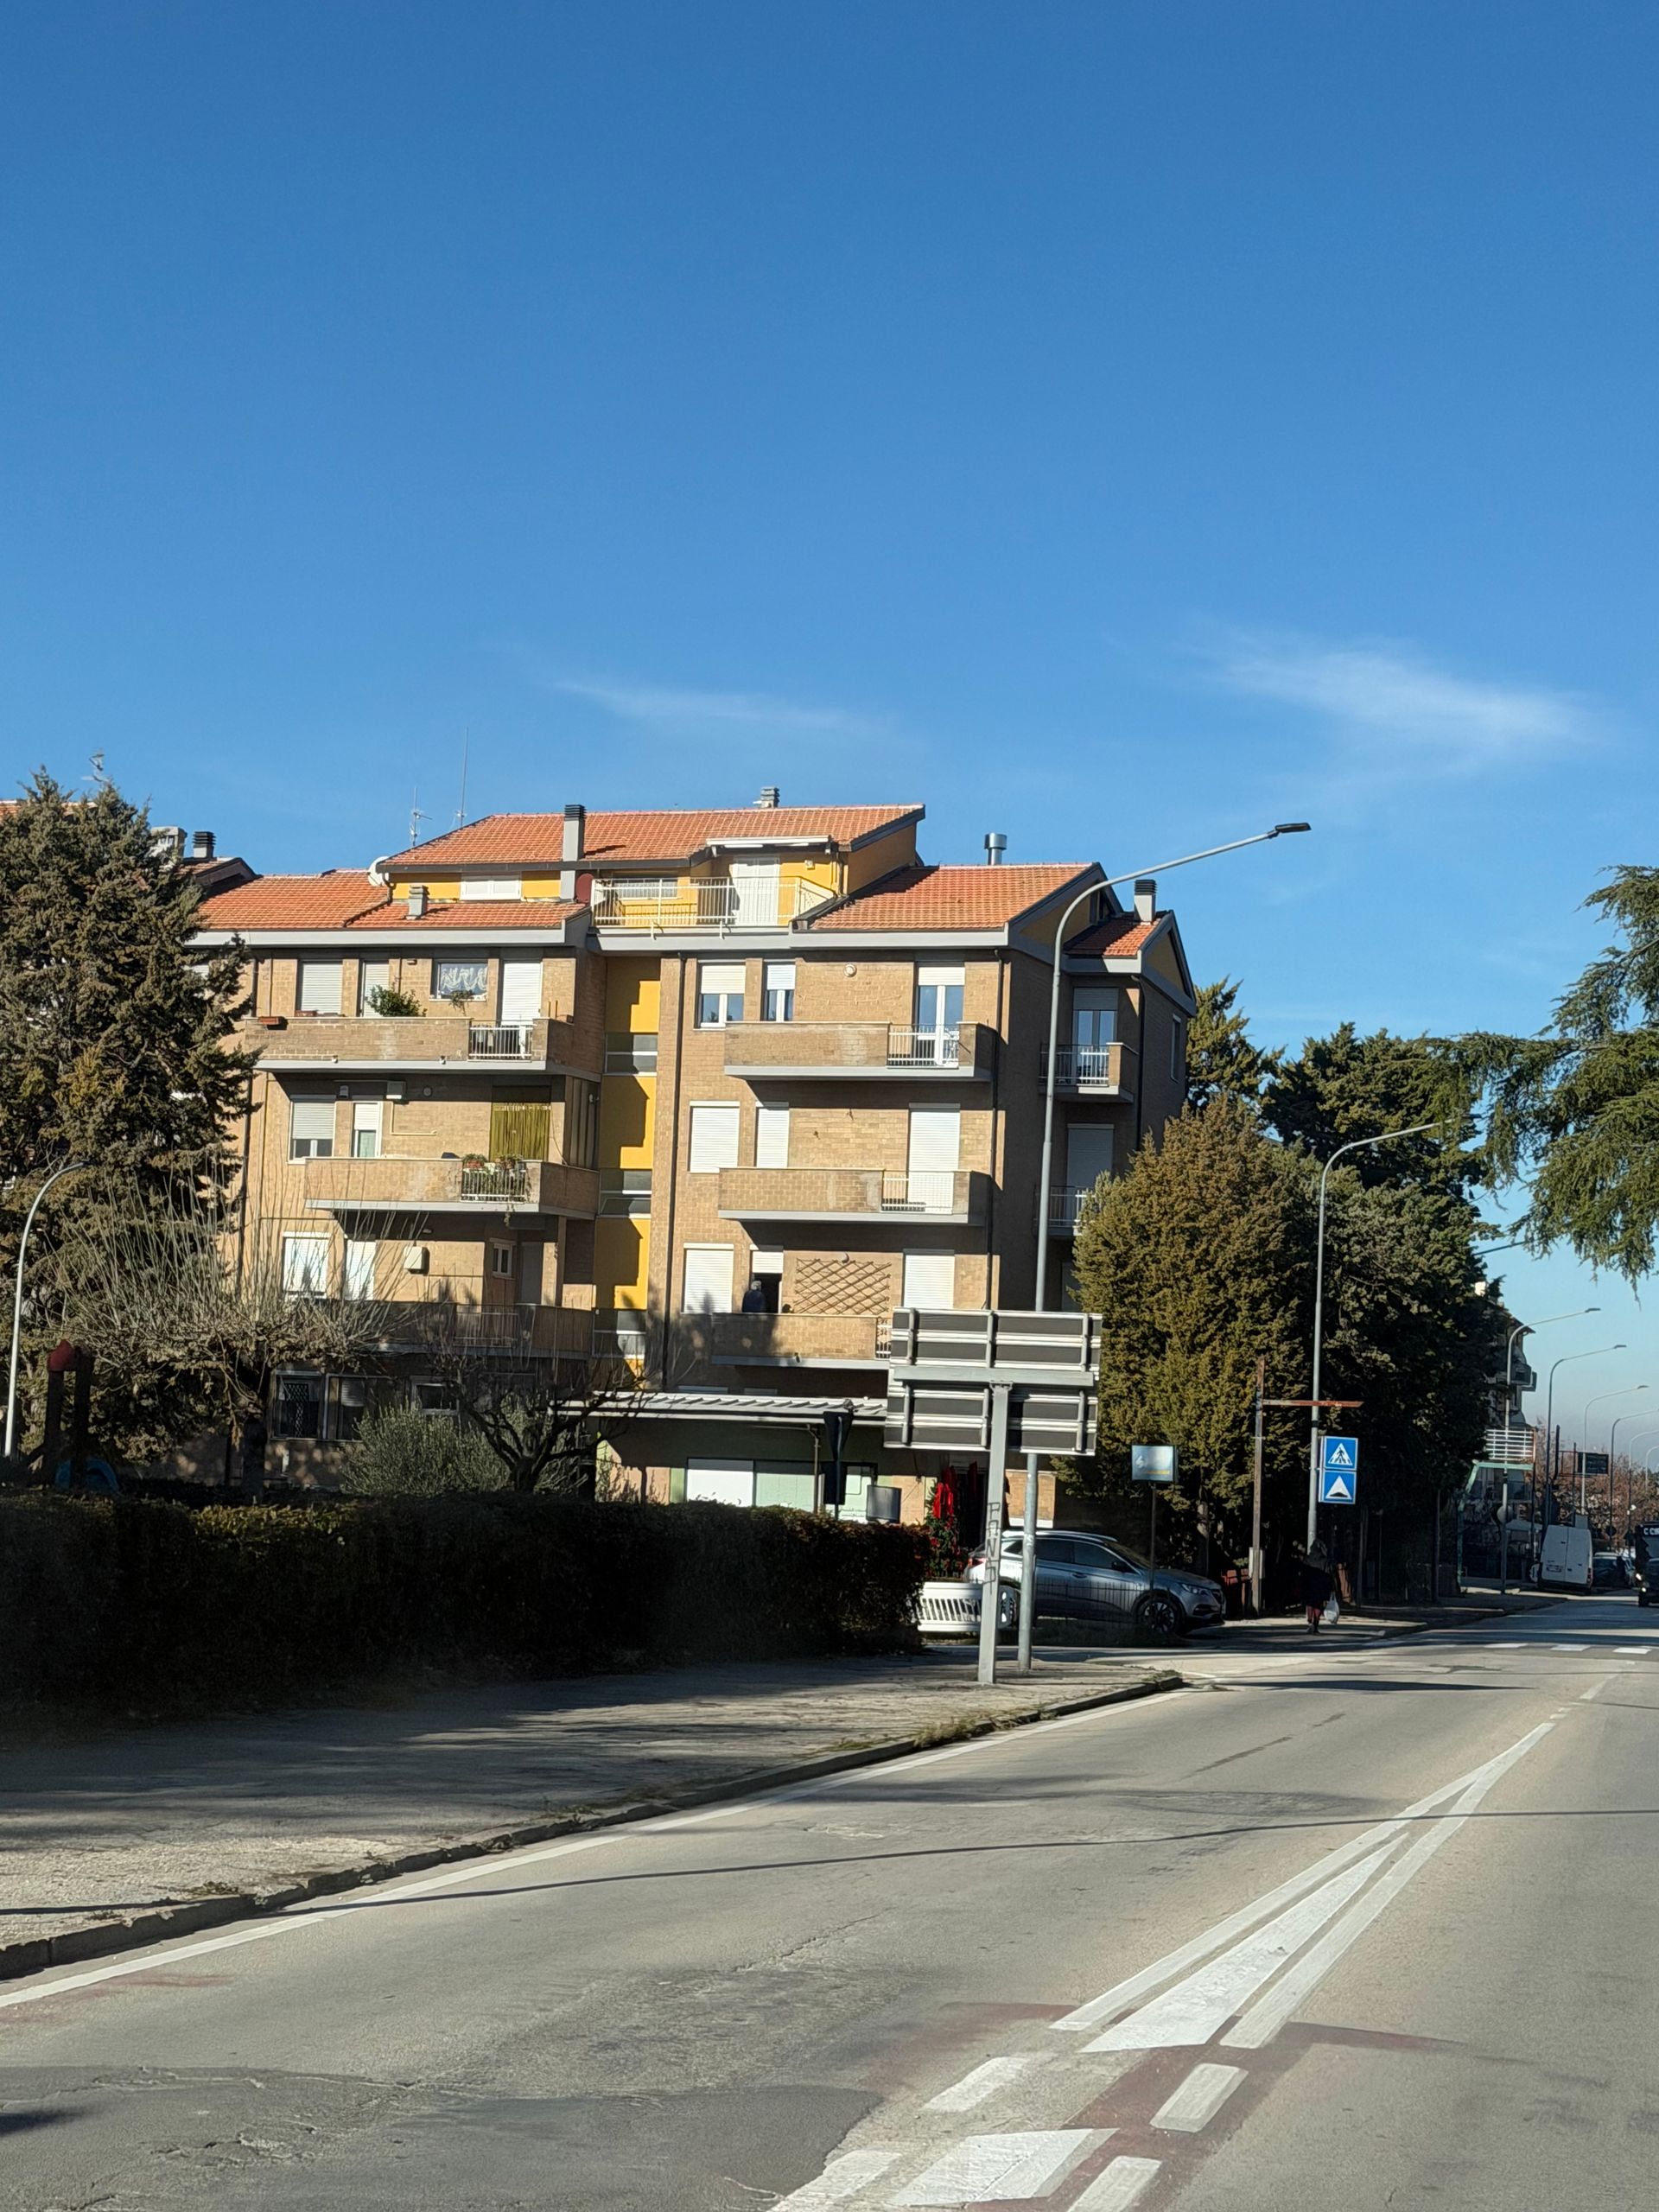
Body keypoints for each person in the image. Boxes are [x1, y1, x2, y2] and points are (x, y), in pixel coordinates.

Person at [1300, 1543, 1334, 1633]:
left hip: (1309, 1586)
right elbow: (1329, 1575)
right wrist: (1331, 1588)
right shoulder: (1325, 1561)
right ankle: (1316, 1623)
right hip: (1321, 1586)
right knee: (1319, 1605)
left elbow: (1303, 1574)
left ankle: (1310, 1622)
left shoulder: (1307, 1560)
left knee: (1310, 1604)